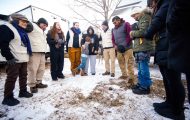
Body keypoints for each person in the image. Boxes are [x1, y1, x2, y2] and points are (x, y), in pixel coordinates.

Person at [0, 13, 33, 106]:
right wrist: (9, 57)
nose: (25, 23)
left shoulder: (22, 31)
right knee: (12, 77)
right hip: (14, 59)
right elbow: (3, 43)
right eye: (23, 21)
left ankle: (23, 91)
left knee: (23, 76)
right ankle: (8, 97)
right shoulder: (7, 27)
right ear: (15, 20)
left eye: (26, 22)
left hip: (23, 58)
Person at [130, 7, 154, 94]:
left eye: (134, 15)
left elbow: (143, 32)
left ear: (138, 12)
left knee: (143, 68)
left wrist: (132, 33)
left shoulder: (145, 17)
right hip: (140, 47)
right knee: (140, 68)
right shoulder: (140, 20)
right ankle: (141, 84)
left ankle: (145, 87)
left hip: (144, 47)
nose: (134, 17)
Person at [112, 16, 135, 86]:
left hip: (127, 48)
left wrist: (124, 45)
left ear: (119, 20)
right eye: (113, 23)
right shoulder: (113, 29)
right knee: (121, 62)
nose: (114, 24)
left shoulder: (126, 24)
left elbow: (130, 35)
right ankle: (124, 74)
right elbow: (112, 39)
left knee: (129, 63)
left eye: (115, 22)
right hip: (119, 49)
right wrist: (115, 45)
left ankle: (131, 78)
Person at [27, 18, 48, 93]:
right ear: (40, 23)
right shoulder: (32, 25)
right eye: (44, 25)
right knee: (33, 69)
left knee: (41, 68)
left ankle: (39, 82)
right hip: (34, 51)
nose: (45, 27)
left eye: (46, 26)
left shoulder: (43, 32)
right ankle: (32, 85)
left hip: (42, 52)